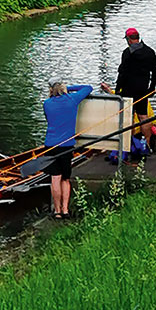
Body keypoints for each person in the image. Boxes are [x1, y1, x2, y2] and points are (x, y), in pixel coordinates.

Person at [100, 27, 156, 150]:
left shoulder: (127, 53)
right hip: (143, 88)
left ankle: (128, 146)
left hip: (128, 89)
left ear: (128, 39)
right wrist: (152, 87)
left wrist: (117, 90)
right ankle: (147, 145)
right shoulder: (149, 51)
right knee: (143, 116)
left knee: (128, 117)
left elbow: (122, 73)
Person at [43, 77, 93, 219]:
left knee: (55, 178)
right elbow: (88, 87)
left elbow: (48, 119)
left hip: (51, 145)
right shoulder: (72, 99)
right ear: (62, 87)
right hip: (67, 145)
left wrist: (58, 90)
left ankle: (57, 211)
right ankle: (65, 210)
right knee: (65, 179)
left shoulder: (47, 103)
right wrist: (68, 89)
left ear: (51, 89)